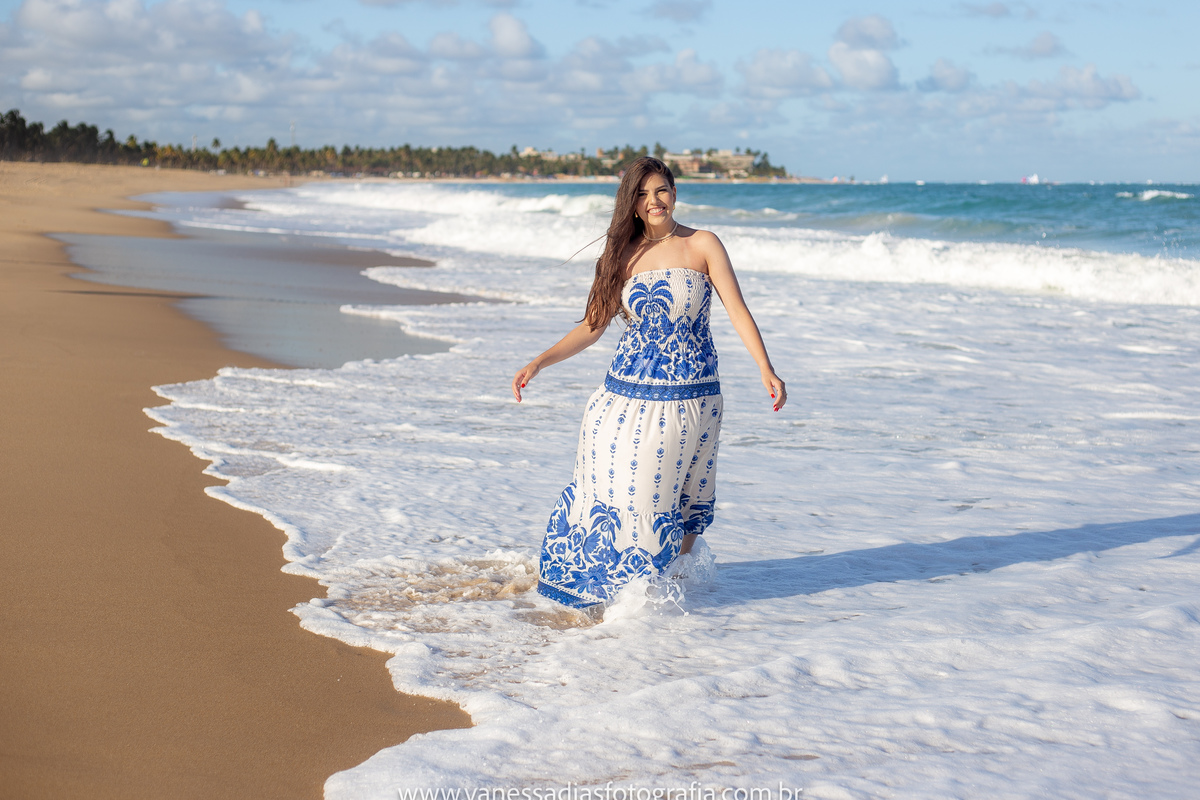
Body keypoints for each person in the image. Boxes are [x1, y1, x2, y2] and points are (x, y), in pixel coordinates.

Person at [511, 156, 786, 608]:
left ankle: (667, 598)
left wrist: (765, 366)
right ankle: (619, 597)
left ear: (674, 192)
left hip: (695, 396)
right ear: (632, 204)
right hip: (626, 398)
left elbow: (738, 310)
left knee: (685, 500)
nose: (653, 201)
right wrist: (541, 361)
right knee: (633, 496)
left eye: (661, 190)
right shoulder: (621, 255)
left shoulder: (704, 244)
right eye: (642, 194)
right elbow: (593, 325)